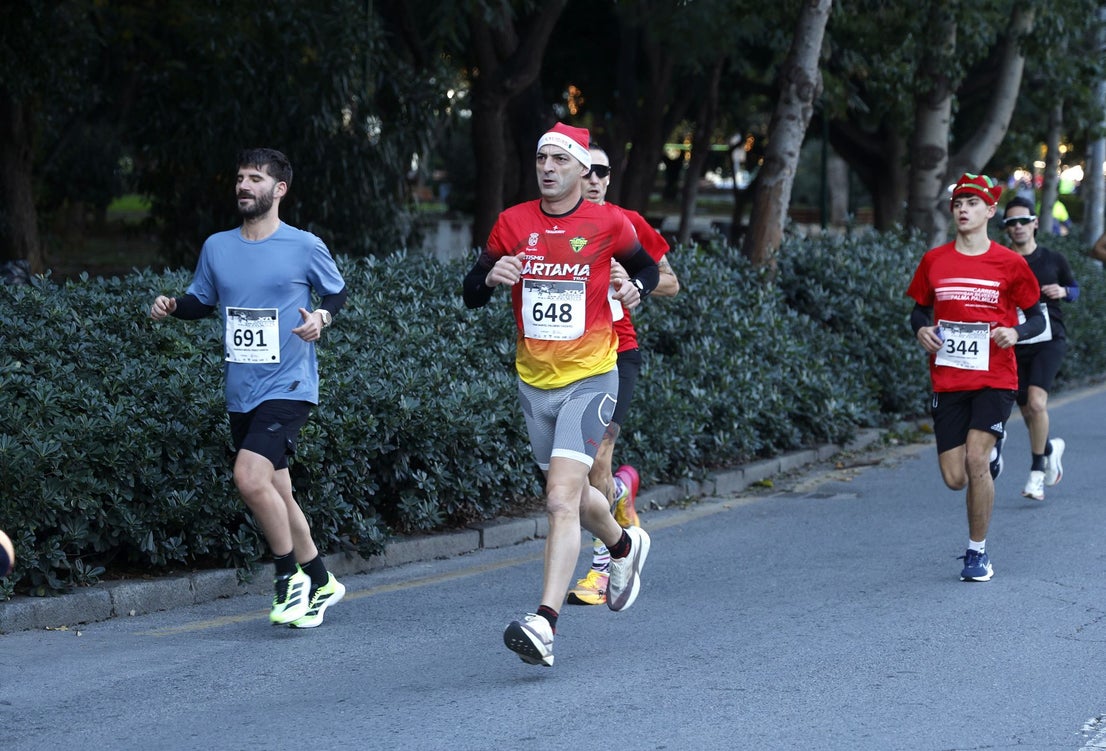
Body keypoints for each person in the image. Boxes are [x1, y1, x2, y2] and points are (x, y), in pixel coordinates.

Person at [463, 122, 660, 666]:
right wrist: (489, 276)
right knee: (572, 496)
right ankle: (623, 545)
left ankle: (544, 623)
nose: (547, 167)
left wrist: (634, 287)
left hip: (593, 378)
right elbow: (471, 291)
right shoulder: (513, 222)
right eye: (540, 157)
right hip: (534, 383)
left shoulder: (607, 222)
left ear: (580, 170)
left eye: (559, 159)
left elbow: (645, 265)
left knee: (557, 499)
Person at [150, 148, 348, 628]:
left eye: (255, 178)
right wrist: (174, 305)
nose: (244, 185)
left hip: (290, 384)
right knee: (278, 489)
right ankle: (322, 581)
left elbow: (336, 292)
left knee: (249, 477)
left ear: (279, 189)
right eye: (240, 177)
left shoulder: (303, 245)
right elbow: (203, 299)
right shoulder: (217, 246)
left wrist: (320, 317)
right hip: (242, 389)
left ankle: (288, 576)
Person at [906, 173, 1044, 582]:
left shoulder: (1010, 263)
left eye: (971, 203)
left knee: (975, 459)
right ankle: (991, 458)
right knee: (954, 478)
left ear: (989, 210)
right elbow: (919, 309)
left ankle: (977, 554)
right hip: (948, 379)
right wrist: (921, 329)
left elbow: (1037, 316)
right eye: (957, 203)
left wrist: (1016, 332)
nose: (962, 209)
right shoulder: (935, 261)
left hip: (995, 377)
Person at [566, 144, 680, 606]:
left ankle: (605, 565)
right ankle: (619, 490)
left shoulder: (625, 223)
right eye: (587, 170)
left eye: (603, 172)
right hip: (565, 358)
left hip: (618, 354)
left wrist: (634, 283)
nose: (594, 179)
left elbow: (669, 282)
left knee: (596, 454)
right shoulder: (549, 226)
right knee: (575, 471)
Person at [1002, 196, 1077, 500]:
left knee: (1036, 403)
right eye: (1011, 223)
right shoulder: (1003, 260)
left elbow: (1074, 289)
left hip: (1049, 338)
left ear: (1035, 223)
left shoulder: (1053, 259)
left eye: (1023, 221)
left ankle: (1036, 474)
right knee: (1028, 412)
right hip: (1016, 341)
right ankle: (1050, 448)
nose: (1018, 227)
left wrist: (1063, 291)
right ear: (1006, 229)